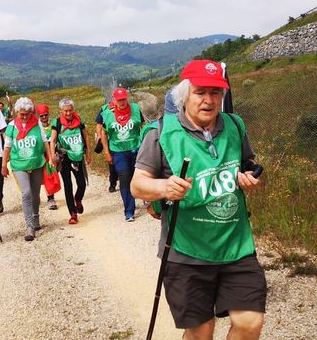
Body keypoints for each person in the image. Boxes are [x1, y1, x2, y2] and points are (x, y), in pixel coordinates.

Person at [131, 60, 266, 339]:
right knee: (201, 333)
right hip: (186, 253)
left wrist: (249, 175)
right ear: (185, 96)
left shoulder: (234, 125)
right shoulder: (160, 133)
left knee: (250, 322)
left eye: (215, 92)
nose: (209, 100)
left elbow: (247, 162)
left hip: (236, 247)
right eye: (200, 92)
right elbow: (137, 184)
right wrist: (164, 187)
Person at [2, 97, 52, 241]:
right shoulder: (12, 126)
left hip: (36, 163)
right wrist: (4, 164)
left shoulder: (37, 124)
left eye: (27, 114)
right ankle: (29, 226)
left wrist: (50, 158)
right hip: (19, 165)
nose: (24, 117)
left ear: (31, 112)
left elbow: (45, 142)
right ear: (17, 112)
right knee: (26, 192)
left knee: (35, 194)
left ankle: (36, 217)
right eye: (21, 114)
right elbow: (7, 147)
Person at [97, 88, 143, 221]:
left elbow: (143, 127)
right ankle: (129, 211)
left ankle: (146, 198)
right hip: (118, 152)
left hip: (136, 149)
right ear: (114, 100)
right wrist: (107, 152)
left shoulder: (135, 109)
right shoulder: (107, 113)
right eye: (119, 100)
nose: (122, 102)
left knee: (139, 177)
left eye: (123, 99)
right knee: (124, 179)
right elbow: (104, 133)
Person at [49, 98, 92, 225]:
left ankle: (77, 199)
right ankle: (73, 214)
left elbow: (85, 136)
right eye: (65, 111)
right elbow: (52, 140)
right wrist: (52, 156)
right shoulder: (57, 122)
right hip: (64, 157)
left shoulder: (79, 121)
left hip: (77, 155)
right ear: (61, 111)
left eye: (70, 110)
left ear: (73, 109)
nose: (68, 113)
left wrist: (88, 152)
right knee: (68, 185)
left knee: (82, 183)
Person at [37, 103, 60, 210]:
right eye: (41, 116)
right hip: (41, 155)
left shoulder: (54, 124)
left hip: (53, 154)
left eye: (45, 115)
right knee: (43, 176)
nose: (44, 117)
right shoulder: (36, 126)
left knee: (51, 175)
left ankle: (52, 197)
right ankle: (45, 198)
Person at [95, 100, 120, 192]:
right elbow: (99, 124)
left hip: (123, 138)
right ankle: (112, 183)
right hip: (110, 139)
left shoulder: (126, 106)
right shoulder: (104, 108)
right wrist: (99, 136)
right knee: (112, 163)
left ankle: (125, 181)